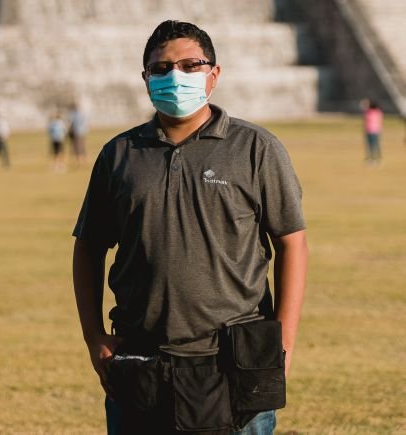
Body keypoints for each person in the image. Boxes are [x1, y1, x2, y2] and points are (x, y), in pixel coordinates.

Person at [72, 20, 308, 435]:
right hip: (142, 359)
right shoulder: (119, 155)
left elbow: (292, 243)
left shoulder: (256, 148)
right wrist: (95, 338)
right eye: (160, 69)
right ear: (145, 79)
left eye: (189, 65)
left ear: (213, 75)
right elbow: (88, 248)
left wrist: (283, 341)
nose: (173, 76)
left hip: (236, 361)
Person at [361, 98, 383, 165]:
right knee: (373, 145)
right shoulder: (376, 112)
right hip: (372, 131)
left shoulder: (371, 112)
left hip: (373, 131)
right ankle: (373, 158)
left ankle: (375, 158)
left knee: (373, 146)